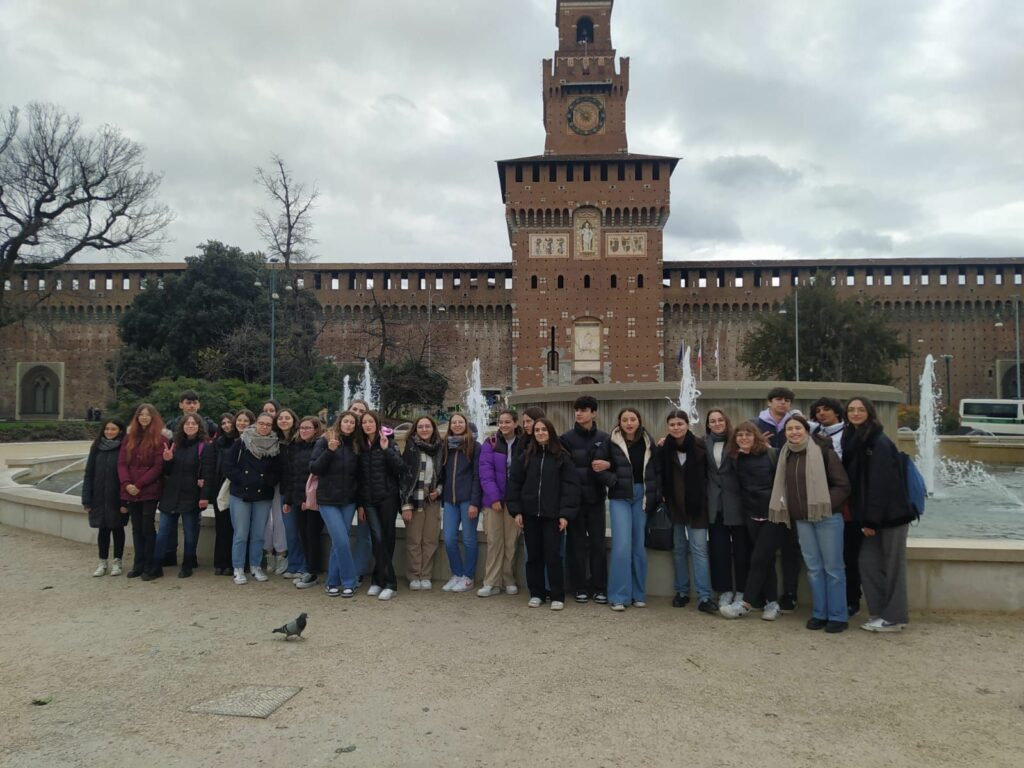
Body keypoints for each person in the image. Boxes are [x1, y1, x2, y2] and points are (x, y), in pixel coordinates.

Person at [769, 414, 851, 633]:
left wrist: (824, 506)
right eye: (789, 429)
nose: (794, 432)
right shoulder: (786, 455)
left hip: (827, 518)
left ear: (807, 430)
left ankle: (837, 615)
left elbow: (842, 486)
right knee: (814, 569)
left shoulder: (824, 453)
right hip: (802, 521)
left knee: (833, 568)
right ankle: (819, 613)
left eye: (798, 428)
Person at [842, 396, 916, 633]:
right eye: (851, 410)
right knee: (867, 562)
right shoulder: (855, 439)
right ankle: (880, 613)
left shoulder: (877, 442)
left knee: (893, 567)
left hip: (891, 516)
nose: (855, 413)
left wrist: (870, 521)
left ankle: (895, 618)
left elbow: (879, 485)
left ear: (869, 412)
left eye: (860, 409)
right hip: (872, 516)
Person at [507, 417, 580, 610]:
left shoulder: (562, 457)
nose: (540, 433)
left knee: (553, 555)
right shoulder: (525, 456)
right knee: (534, 556)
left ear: (551, 432)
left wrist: (565, 514)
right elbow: (514, 484)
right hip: (530, 515)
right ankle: (537, 593)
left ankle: (557, 595)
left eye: (544, 430)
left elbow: (570, 487)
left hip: (553, 515)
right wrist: (516, 511)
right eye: (537, 430)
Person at [595, 407, 658, 612]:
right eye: (625, 420)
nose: (629, 423)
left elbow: (656, 469)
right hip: (620, 497)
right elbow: (596, 466)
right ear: (619, 422)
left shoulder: (648, 441)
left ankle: (638, 594)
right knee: (622, 546)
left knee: (638, 546)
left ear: (639, 421)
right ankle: (618, 596)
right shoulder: (610, 441)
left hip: (642, 496)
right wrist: (613, 480)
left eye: (632, 419)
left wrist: (655, 494)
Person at [720, 422, 784, 620]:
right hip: (751, 515)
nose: (744, 438)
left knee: (758, 559)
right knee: (766, 559)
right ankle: (772, 604)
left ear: (756, 436)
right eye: (740, 435)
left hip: (774, 515)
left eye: (748, 434)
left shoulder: (771, 453)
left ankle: (745, 603)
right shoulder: (736, 458)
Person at [658, 409, 715, 613]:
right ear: (668, 427)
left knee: (699, 550)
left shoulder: (700, 445)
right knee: (679, 550)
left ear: (687, 424)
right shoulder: (664, 448)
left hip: (697, 506)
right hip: (675, 507)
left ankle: (704, 596)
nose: (676, 428)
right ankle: (681, 591)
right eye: (672, 424)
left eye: (680, 424)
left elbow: (710, 475)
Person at [752, 387, 803, 611]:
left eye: (787, 400)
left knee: (792, 546)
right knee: (765, 548)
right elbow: (741, 449)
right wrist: (758, 445)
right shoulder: (756, 424)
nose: (783, 403)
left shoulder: (797, 423)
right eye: (779, 399)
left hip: (792, 493)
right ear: (769, 402)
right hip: (765, 494)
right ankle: (764, 593)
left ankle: (790, 593)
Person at [811, 396, 861, 616]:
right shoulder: (814, 433)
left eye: (827, 409)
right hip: (821, 499)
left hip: (846, 500)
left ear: (837, 412)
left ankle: (851, 599)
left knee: (848, 554)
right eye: (818, 410)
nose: (822, 413)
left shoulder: (850, 434)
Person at [560, 396, 610, 604]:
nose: (579, 413)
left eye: (584, 409)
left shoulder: (605, 438)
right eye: (577, 409)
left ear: (594, 413)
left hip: (596, 498)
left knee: (598, 544)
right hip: (575, 501)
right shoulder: (566, 438)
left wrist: (608, 466)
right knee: (576, 544)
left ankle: (599, 587)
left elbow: (615, 463)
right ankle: (579, 586)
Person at [223, 412, 281, 585]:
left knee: (258, 534)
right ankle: (238, 568)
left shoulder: (275, 445)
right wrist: (244, 479)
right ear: (255, 424)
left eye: (268, 424)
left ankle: (256, 566)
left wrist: (265, 481)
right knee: (240, 533)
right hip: (241, 493)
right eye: (261, 423)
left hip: (263, 494)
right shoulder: (242, 441)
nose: (264, 427)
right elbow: (228, 466)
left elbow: (277, 471)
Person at [162, 389, 217, 567]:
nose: (191, 405)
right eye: (187, 402)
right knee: (169, 524)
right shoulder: (171, 424)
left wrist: (204, 479)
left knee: (192, 525)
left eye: (194, 402)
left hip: (195, 483)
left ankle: (189, 558)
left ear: (199, 405)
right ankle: (169, 554)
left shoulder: (209, 424)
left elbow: (215, 449)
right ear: (181, 404)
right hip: (175, 481)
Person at [310, 411, 362, 597]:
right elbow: (314, 467)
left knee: (338, 544)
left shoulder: (357, 445)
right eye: (346, 421)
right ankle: (350, 581)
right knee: (342, 540)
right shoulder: (325, 441)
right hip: (328, 500)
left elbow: (359, 476)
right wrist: (330, 451)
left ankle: (332, 581)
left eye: (352, 423)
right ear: (340, 423)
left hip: (348, 500)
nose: (348, 425)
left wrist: (361, 503)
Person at [152, 414, 209, 579]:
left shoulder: (204, 446)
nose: (190, 426)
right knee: (163, 531)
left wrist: (204, 496)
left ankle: (187, 563)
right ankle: (156, 565)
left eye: (194, 423)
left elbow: (207, 472)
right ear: (182, 426)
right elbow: (166, 472)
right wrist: (167, 460)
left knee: (190, 533)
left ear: (199, 427)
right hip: (170, 495)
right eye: (187, 423)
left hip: (191, 495)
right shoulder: (174, 445)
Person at [358, 410, 405, 601]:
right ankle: (388, 581)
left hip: (387, 497)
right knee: (377, 538)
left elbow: (400, 468)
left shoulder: (388, 441)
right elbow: (358, 478)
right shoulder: (359, 445)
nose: (367, 425)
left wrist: (387, 451)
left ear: (377, 424)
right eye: (364, 422)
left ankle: (381, 581)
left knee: (387, 538)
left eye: (371, 422)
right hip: (368, 500)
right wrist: (360, 504)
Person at [704, 408, 749, 608]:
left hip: (737, 502)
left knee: (742, 549)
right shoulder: (703, 443)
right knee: (718, 550)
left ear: (726, 421)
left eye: (720, 419)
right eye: (712, 421)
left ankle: (742, 590)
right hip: (715, 503)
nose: (717, 423)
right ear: (708, 424)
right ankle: (723, 590)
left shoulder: (737, 441)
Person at [118, 404, 168, 580]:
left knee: (147, 527)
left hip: (149, 489)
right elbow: (122, 463)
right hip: (130, 489)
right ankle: (138, 564)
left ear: (153, 418)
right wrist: (126, 483)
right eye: (141, 414)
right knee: (136, 528)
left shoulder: (160, 439)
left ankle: (151, 565)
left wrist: (138, 484)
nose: (144, 417)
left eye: (148, 415)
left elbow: (158, 467)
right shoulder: (129, 438)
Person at [477, 409, 524, 597]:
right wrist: (494, 497)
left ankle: (508, 579)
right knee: (494, 541)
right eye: (501, 422)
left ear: (515, 423)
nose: (504, 425)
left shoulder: (523, 442)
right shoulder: (490, 443)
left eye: (507, 422)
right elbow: (485, 473)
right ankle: (491, 582)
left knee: (511, 542)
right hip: (493, 501)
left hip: (515, 501)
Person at [438, 413, 482, 593]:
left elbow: (477, 476)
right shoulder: (446, 446)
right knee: (448, 538)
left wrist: (474, 502)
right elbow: (442, 473)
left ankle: (468, 577)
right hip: (450, 499)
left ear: (465, 424)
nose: (457, 425)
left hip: (467, 500)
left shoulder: (474, 446)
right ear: (450, 425)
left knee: (469, 539)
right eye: (453, 422)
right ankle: (457, 573)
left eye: (460, 422)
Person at [400, 416, 443, 591]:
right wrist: (406, 504)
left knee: (430, 540)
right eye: (421, 427)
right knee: (414, 540)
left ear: (433, 428)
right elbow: (403, 477)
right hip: (414, 498)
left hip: (432, 499)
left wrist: (438, 490)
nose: (424, 429)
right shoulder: (410, 448)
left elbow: (443, 475)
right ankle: (414, 575)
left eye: (427, 426)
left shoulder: (439, 448)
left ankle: (426, 575)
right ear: (415, 429)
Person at [82, 418, 128, 577]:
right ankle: (102, 562)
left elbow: (127, 475)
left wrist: (125, 500)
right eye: (107, 429)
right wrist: (86, 499)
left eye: (113, 429)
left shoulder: (124, 447)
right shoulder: (97, 447)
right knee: (103, 529)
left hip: (117, 496)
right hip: (99, 496)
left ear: (120, 431)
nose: (109, 432)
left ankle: (117, 561)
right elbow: (89, 473)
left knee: (117, 528)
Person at [283, 415, 323, 589]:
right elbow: (293, 476)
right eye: (302, 428)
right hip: (299, 499)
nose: (304, 431)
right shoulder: (297, 448)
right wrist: (288, 500)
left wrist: (310, 500)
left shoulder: (319, 446)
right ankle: (308, 568)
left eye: (308, 428)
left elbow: (319, 477)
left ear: (316, 430)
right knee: (303, 536)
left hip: (313, 501)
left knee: (312, 535)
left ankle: (313, 571)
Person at [202, 412, 243, 575]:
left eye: (229, 422)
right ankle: (220, 562)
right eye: (223, 423)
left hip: (237, 488)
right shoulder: (216, 444)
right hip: (220, 489)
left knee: (236, 528)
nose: (226, 425)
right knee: (222, 527)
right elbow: (210, 468)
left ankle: (235, 563)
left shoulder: (239, 442)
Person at [273, 407, 306, 579]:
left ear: (294, 420)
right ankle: (294, 565)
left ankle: (304, 566)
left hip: (300, 491)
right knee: (290, 530)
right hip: (285, 491)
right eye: (280, 418)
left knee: (302, 530)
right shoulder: (275, 441)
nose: (284, 420)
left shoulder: (300, 439)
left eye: (287, 418)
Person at [348, 398, 374, 579]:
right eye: (354, 409)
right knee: (341, 536)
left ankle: (356, 573)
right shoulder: (340, 435)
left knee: (364, 536)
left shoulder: (370, 437)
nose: (357, 413)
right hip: (342, 494)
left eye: (361, 410)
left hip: (364, 494)